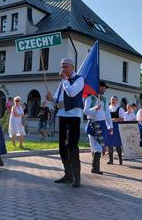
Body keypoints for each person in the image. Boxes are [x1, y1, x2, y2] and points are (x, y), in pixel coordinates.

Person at [46, 58, 84, 187]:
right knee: (62, 146)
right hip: (62, 115)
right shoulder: (62, 82)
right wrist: (51, 99)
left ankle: (77, 176)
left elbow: (72, 93)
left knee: (72, 146)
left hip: (73, 116)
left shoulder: (79, 79)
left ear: (72, 67)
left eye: (65, 67)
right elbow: (57, 99)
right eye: (62, 66)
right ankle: (68, 175)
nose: (63, 69)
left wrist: (64, 80)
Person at [84, 81, 113, 174]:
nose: (105, 89)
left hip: (102, 124)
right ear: (99, 87)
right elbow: (85, 111)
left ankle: (95, 167)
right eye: (104, 87)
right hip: (92, 123)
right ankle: (95, 167)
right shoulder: (90, 98)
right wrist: (95, 108)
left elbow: (107, 114)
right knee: (93, 146)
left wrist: (110, 126)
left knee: (99, 146)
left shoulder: (104, 99)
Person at [105, 95, 125, 165]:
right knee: (109, 144)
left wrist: (115, 119)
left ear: (117, 101)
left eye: (114, 99)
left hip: (116, 127)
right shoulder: (108, 108)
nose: (113, 100)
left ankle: (120, 159)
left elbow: (123, 119)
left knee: (117, 144)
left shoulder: (120, 109)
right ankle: (111, 160)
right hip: (109, 127)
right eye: (112, 99)